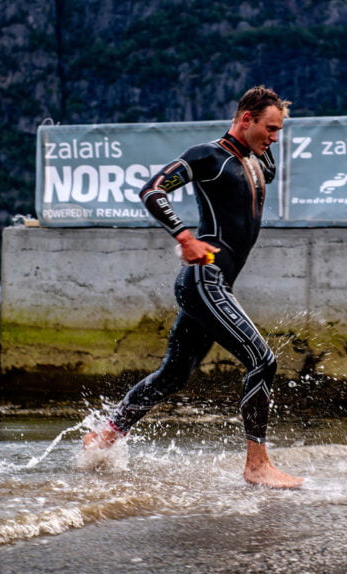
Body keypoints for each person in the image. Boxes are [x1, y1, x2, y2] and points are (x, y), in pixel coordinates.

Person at [83, 86, 304, 489]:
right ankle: (257, 465)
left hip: (217, 284)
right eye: (270, 128)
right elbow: (151, 191)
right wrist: (184, 236)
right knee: (263, 360)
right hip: (205, 277)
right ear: (245, 119)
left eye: (279, 131)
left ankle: (105, 435)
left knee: (172, 376)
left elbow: (267, 162)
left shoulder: (257, 163)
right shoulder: (208, 157)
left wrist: (266, 134)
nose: (275, 138)